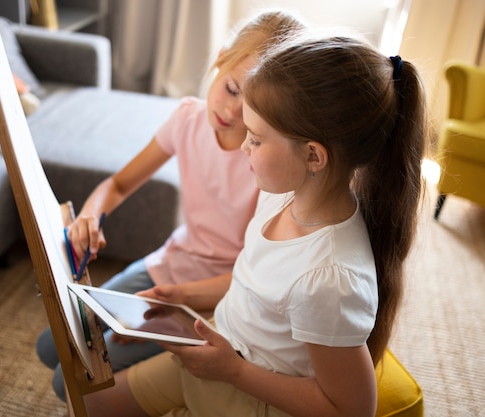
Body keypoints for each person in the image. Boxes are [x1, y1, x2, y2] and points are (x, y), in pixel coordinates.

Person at [81, 34, 427, 417]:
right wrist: (181, 297)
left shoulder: (329, 279)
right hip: (220, 353)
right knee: (88, 399)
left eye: (256, 139)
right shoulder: (282, 193)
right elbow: (256, 280)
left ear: (313, 155)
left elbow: (352, 409)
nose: (243, 146)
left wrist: (235, 371)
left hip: (252, 396)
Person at [35, 10, 307, 401]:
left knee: (71, 381)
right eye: (231, 89)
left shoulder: (268, 165)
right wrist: (89, 217)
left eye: (253, 110)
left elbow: (256, 279)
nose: (231, 113)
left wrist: (178, 299)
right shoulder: (188, 119)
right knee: (54, 344)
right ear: (221, 57)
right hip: (169, 265)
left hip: (216, 299)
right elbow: (117, 183)